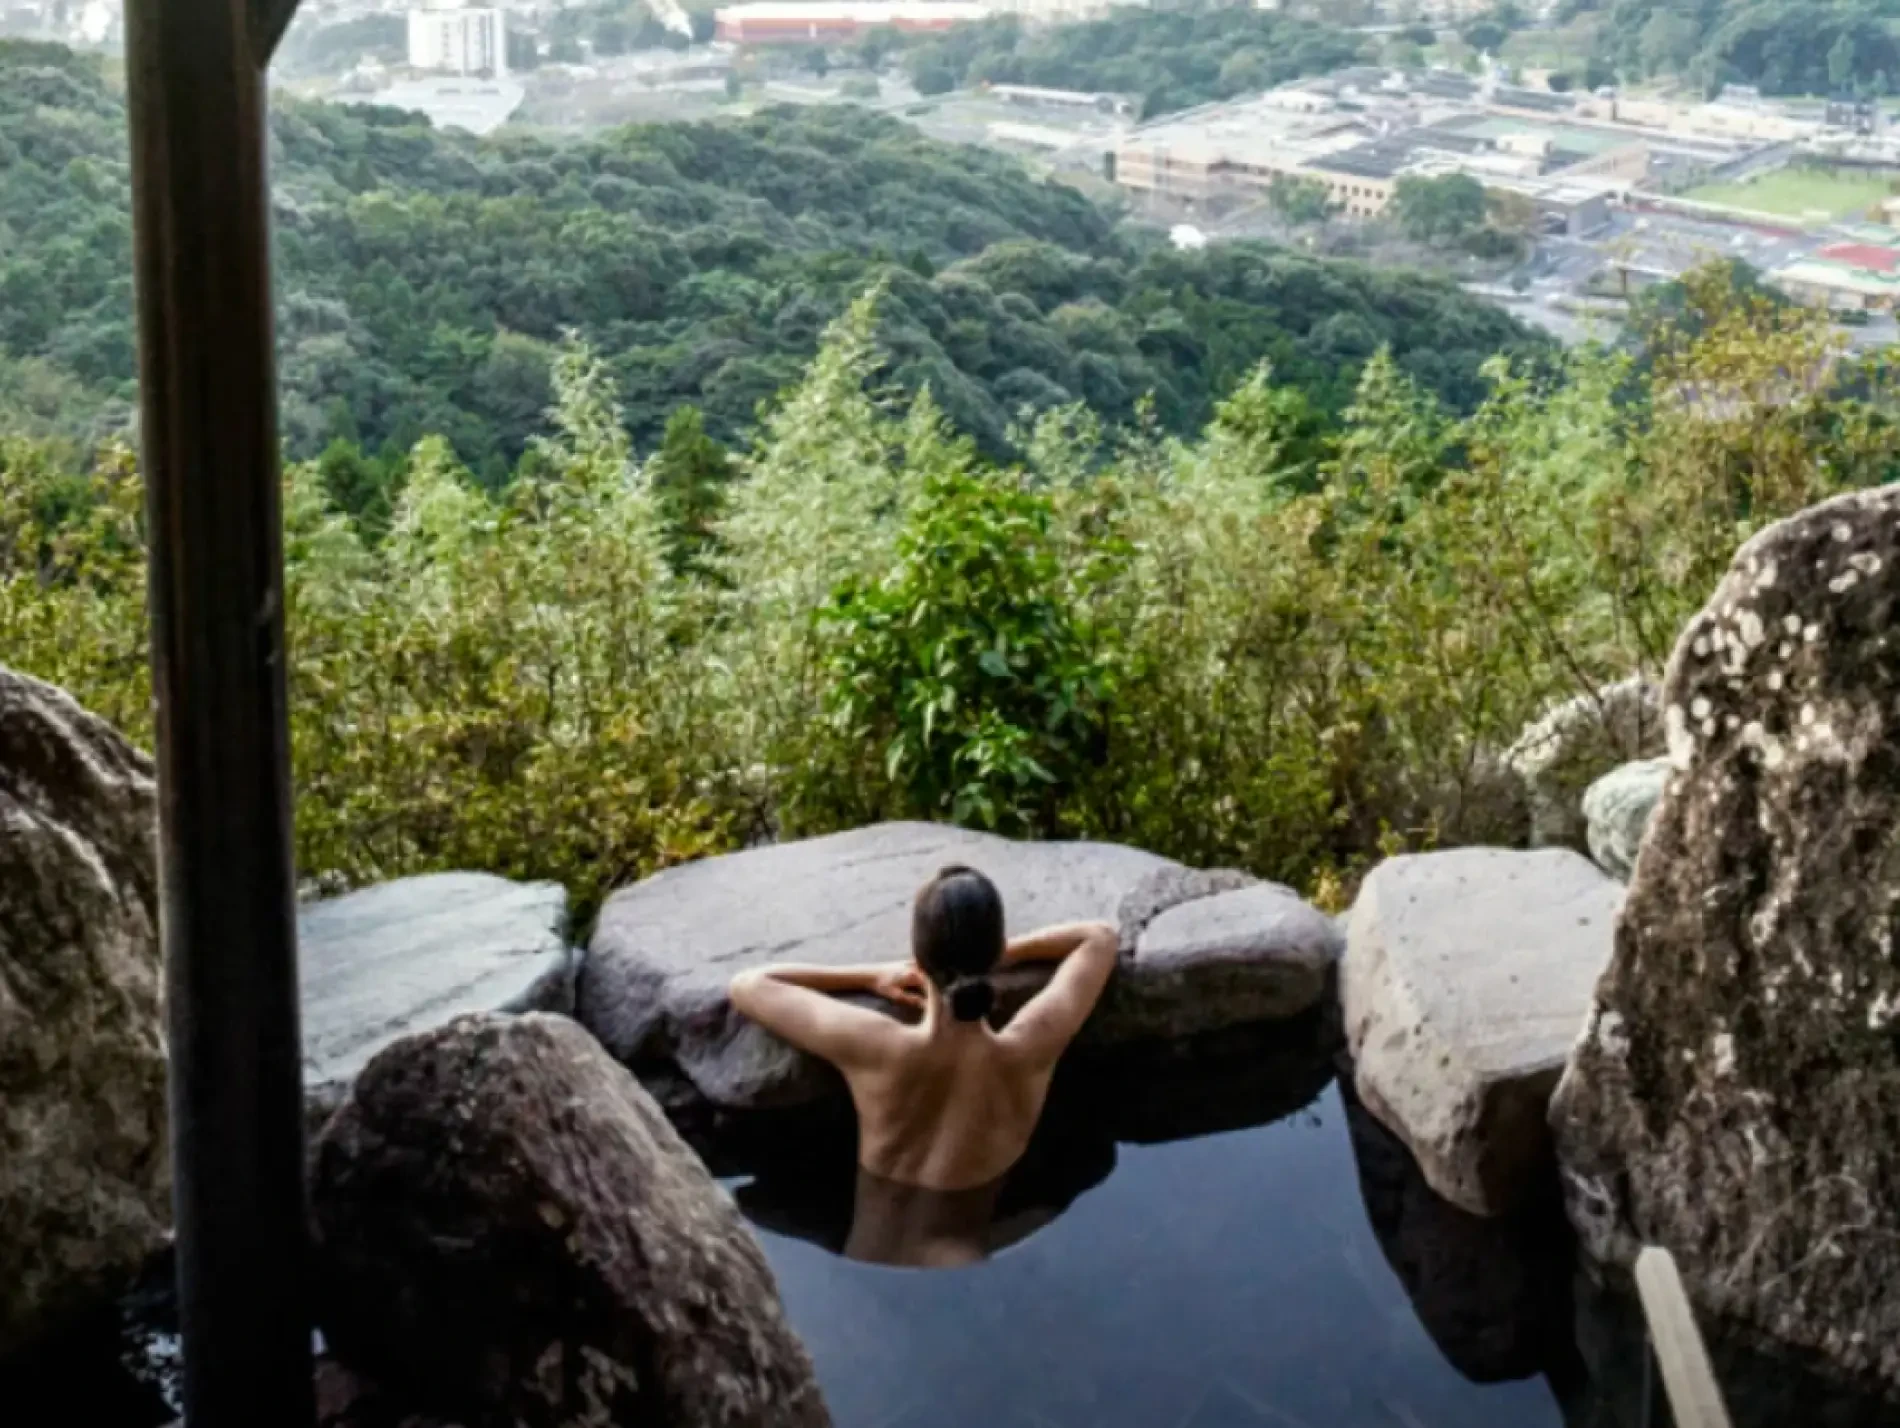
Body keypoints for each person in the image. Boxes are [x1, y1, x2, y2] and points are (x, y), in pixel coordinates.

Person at [728, 865, 1119, 1209]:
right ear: (995, 951)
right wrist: (995, 954)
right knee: (1094, 1162)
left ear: (918, 957)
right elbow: (1099, 937)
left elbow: (749, 984)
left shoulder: (877, 1047)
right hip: (972, 1266)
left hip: (871, 1267)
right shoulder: (1032, 1044)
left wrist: (869, 975)